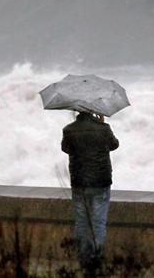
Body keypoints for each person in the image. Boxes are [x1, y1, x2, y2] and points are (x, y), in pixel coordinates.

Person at [61, 111, 119, 274]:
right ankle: (96, 260)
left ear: (78, 110)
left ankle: (83, 260)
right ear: (93, 110)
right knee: (98, 222)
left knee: (81, 222)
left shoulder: (69, 130)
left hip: (79, 183)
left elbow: (65, 148)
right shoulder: (103, 129)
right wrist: (101, 123)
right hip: (100, 182)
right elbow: (114, 144)